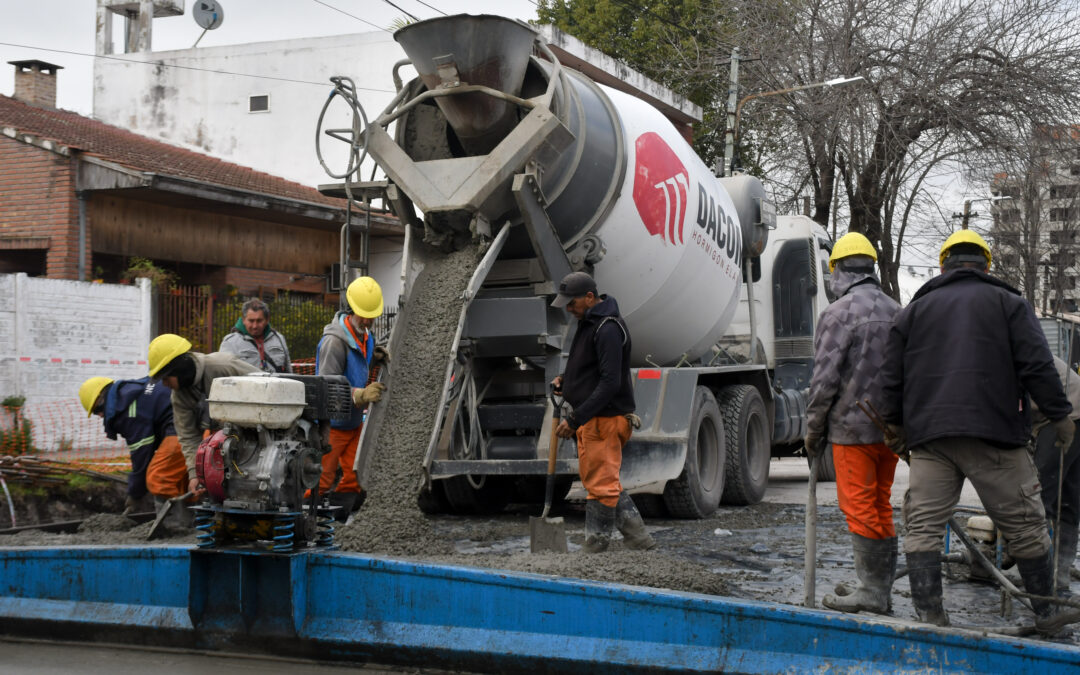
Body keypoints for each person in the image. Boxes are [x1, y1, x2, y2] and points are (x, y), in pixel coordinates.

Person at [879, 229, 1080, 635]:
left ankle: (931, 617)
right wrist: (1059, 415)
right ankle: (1046, 616)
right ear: (986, 265)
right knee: (1025, 524)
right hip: (994, 435)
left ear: (943, 265)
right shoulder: (1010, 304)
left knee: (924, 526)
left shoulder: (912, 313)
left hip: (932, 440)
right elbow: (1037, 365)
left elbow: (889, 377)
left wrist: (894, 425)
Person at [804, 232, 901, 614]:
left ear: (838, 270)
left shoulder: (838, 313)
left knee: (860, 506)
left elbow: (824, 379)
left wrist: (813, 428)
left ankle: (873, 592)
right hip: (891, 431)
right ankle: (878, 588)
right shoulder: (897, 309)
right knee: (880, 504)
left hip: (851, 429)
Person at [551, 271, 655, 553]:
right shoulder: (590, 323)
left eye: (571, 303)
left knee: (601, 485)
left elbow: (610, 382)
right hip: (595, 419)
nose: (569, 310)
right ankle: (639, 541)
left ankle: (595, 549)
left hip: (604, 420)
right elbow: (592, 369)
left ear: (589, 297)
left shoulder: (607, 328)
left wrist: (575, 418)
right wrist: (566, 380)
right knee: (602, 481)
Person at [315, 276, 389, 522]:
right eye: (364, 315)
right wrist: (358, 395)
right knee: (320, 478)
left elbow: (357, 367)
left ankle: (339, 523)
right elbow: (326, 385)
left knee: (354, 478)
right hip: (332, 425)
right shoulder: (334, 343)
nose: (368, 321)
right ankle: (310, 522)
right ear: (352, 309)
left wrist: (374, 359)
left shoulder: (365, 337)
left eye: (371, 316)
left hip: (354, 422)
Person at [147, 334, 259, 493]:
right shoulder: (179, 396)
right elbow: (188, 436)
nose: (165, 384)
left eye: (166, 378)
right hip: (226, 439)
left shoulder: (223, 366)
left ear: (179, 369)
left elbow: (266, 384)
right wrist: (195, 475)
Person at [78, 375, 187, 512]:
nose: (100, 415)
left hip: (184, 428)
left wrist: (135, 495)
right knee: (181, 479)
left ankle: (174, 526)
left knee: (159, 478)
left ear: (102, 398)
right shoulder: (132, 392)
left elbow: (141, 456)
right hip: (199, 421)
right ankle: (192, 520)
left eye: (97, 410)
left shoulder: (128, 411)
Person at [1031, 356, 1080, 595]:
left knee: (1038, 496)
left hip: (1062, 415)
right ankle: (1059, 577)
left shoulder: (1002, 352)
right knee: (1068, 499)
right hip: (1073, 408)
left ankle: (1036, 575)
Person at [219, 298, 293, 373]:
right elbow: (224, 375)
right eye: (251, 321)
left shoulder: (279, 338)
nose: (255, 326)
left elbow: (289, 371)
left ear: (267, 320)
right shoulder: (230, 342)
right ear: (243, 320)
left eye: (259, 321)